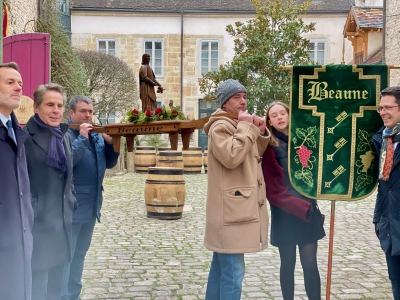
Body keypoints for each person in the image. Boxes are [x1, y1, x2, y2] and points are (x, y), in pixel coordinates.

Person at [203, 79, 270, 300]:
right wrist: (246, 127)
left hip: (235, 209)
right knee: (233, 272)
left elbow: (250, 156)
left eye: (244, 97)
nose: (242, 102)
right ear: (224, 103)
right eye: (236, 98)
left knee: (221, 270)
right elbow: (232, 157)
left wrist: (258, 132)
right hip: (230, 212)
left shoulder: (235, 124)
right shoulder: (220, 127)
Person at [261, 101, 325, 300]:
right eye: (274, 115)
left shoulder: (304, 142)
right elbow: (273, 190)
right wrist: (301, 206)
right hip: (286, 215)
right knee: (287, 265)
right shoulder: (270, 148)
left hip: (308, 213)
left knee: (310, 264)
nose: (280, 117)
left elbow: (313, 174)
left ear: (289, 115)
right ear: (269, 122)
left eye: (283, 113)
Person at [62, 95, 119, 300]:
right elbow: (67, 165)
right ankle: (64, 296)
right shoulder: (67, 136)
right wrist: (81, 139)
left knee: (79, 256)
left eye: (90, 111)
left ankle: (74, 295)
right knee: (66, 258)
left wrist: (112, 145)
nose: (88, 115)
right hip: (73, 208)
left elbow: (109, 164)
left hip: (92, 207)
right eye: (83, 111)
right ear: (71, 114)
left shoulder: (96, 136)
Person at [24, 83, 78, 300]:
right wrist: (34, 209)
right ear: (36, 108)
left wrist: (71, 200)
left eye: (59, 105)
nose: (56, 110)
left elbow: (68, 176)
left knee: (57, 286)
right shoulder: (25, 138)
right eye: (50, 105)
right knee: (37, 287)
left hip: (62, 222)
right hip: (38, 224)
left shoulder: (62, 135)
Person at [0, 62, 34, 300]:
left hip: (20, 238)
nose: (18, 87)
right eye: (10, 82)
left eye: (20, 83)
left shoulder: (15, 130)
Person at [372, 86, 400, 300]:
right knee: (396, 282)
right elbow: (384, 185)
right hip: (390, 226)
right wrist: (378, 220)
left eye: (388, 107)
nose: (382, 112)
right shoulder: (384, 140)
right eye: (380, 108)